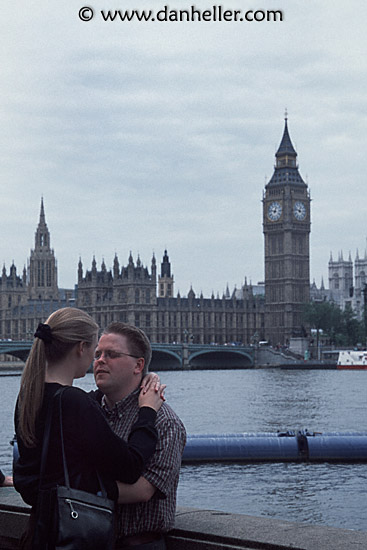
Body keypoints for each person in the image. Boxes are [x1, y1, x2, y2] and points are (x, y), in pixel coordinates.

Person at [13, 308, 165, 550]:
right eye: (95, 351)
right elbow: (130, 467)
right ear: (81, 348)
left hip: (40, 532)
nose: (97, 360)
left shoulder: (28, 397)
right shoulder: (74, 402)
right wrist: (147, 411)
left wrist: (140, 377)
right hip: (72, 535)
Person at [93, 322, 187, 550]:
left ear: (139, 365)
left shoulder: (166, 422)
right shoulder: (89, 411)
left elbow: (143, 491)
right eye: (97, 354)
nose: (100, 360)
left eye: (111, 354)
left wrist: (75, 484)